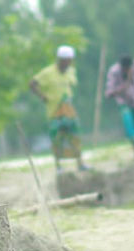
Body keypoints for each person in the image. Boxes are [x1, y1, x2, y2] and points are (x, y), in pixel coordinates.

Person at [30, 45, 90, 173]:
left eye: (69, 60)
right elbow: (32, 84)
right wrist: (43, 97)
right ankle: (58, 166)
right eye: (65, 60)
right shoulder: (48, 72)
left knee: (75, 136)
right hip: (54, 111)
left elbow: (72, 85)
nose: (67, 63)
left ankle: (80, 163)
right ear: (59, 59)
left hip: (68, 109)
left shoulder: (71, 71)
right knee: (57, 138)